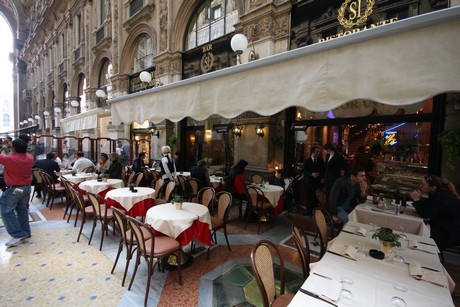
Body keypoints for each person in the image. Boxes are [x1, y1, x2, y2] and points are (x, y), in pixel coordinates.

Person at [410, 175, 460, 250]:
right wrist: (420, 200)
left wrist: (416, 199)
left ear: (433, 187)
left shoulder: (441, 197)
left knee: (413, 229)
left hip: (448, 232)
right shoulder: (438, 194)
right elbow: (428, 208)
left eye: (423, 184)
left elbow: (425, 214)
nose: (420, 186)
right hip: (445, 228)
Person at [0, 139, 34, 247]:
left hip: (16, 189)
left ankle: (17, 234)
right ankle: (25, 232)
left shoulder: (10, 159)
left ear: (13, 149)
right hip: (27, 188)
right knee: (22, 209)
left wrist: (6, 146)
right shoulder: (30, 157)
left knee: (6, 210)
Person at [303, 146, 325, 214]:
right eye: (317, 152)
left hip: (318, 182)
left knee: (317, 197)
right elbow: (304, 171)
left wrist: (322, 177)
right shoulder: (307, 161)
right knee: (309, 196)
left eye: (319, 152)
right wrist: (311, 174)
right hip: (310, 181)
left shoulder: (321, 160)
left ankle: (316, 212)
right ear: (313, 152)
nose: (319, 153)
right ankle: (308, 211)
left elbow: (323, 170)